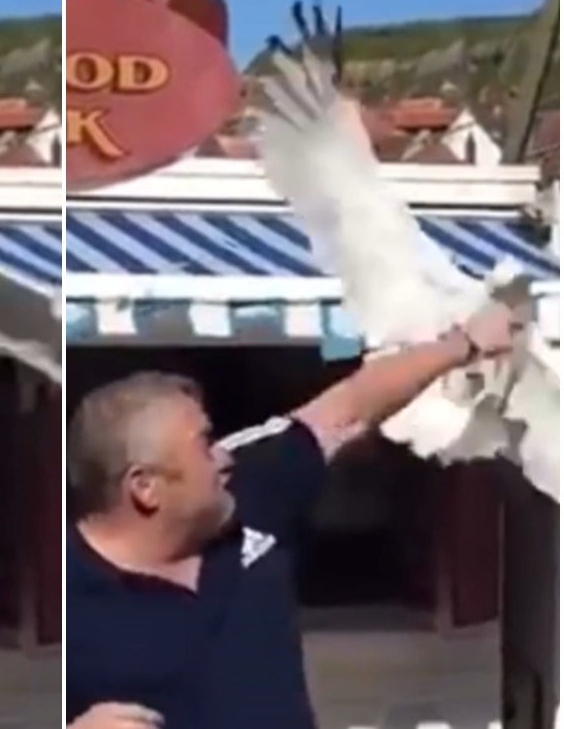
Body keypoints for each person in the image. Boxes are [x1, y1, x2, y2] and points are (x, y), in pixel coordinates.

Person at [66, 303, 522, 729]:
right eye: (204, 445)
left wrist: (465, 343)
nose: (224, 456)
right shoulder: (72, 595)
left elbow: (351, 407)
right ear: (144, 488)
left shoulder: (251, 494)